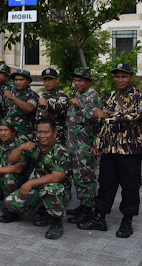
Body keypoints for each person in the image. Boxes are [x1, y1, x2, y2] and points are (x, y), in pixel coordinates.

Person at [78, 63, 142, 238]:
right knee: (106, 184)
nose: (120, 79)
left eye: (124, 76)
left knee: (130, 187)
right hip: (110, 149)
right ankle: (99, 217)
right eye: (117, 76)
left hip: (130, 151)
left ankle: (127, 220)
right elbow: (102, 125)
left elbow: (134, 115)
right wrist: (97, 143)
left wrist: (108, 117)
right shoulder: (109, 96)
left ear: (131, 78)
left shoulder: (139, 96)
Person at [6, 119, 71, 240]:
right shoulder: (33, 147)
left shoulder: (61, 151)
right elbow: (13, 159)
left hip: (58, 191)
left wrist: (30, 183)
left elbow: (57, 177)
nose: (42, 135)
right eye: (39, 132)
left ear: (55, 133)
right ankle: (42, 211)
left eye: (46, 132)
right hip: (37, 189)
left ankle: (56, 223)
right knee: (11, 202)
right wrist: (21, 148)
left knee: (50, 189)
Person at [64, 67, 102, 226]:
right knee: (78, 178)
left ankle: (88, 210)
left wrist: (79, 106)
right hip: (74, 146)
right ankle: (83, 206)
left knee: (86, 179)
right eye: (75, 80)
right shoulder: (81, 95)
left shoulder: (93, 97)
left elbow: (97, 119)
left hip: (85, 148)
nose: (76, 83)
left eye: (80, 80)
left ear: (88, 81)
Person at [36, 68, 70, 145]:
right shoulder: (43, 95)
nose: (47, 82)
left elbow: (61, 108)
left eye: (50, 80)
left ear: (57, 80)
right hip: (42, 137)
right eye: (45, 80)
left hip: (57, 137)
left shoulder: (62, 95)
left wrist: (47, 104)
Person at [2, 69, 38, 140]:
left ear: (28, 81)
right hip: (9, 133)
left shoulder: (32, 95)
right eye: (16, 80)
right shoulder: (9, 93)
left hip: (24, 134)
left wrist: (13, 98)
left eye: (21, 80)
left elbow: (30, 108)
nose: (18, 82)